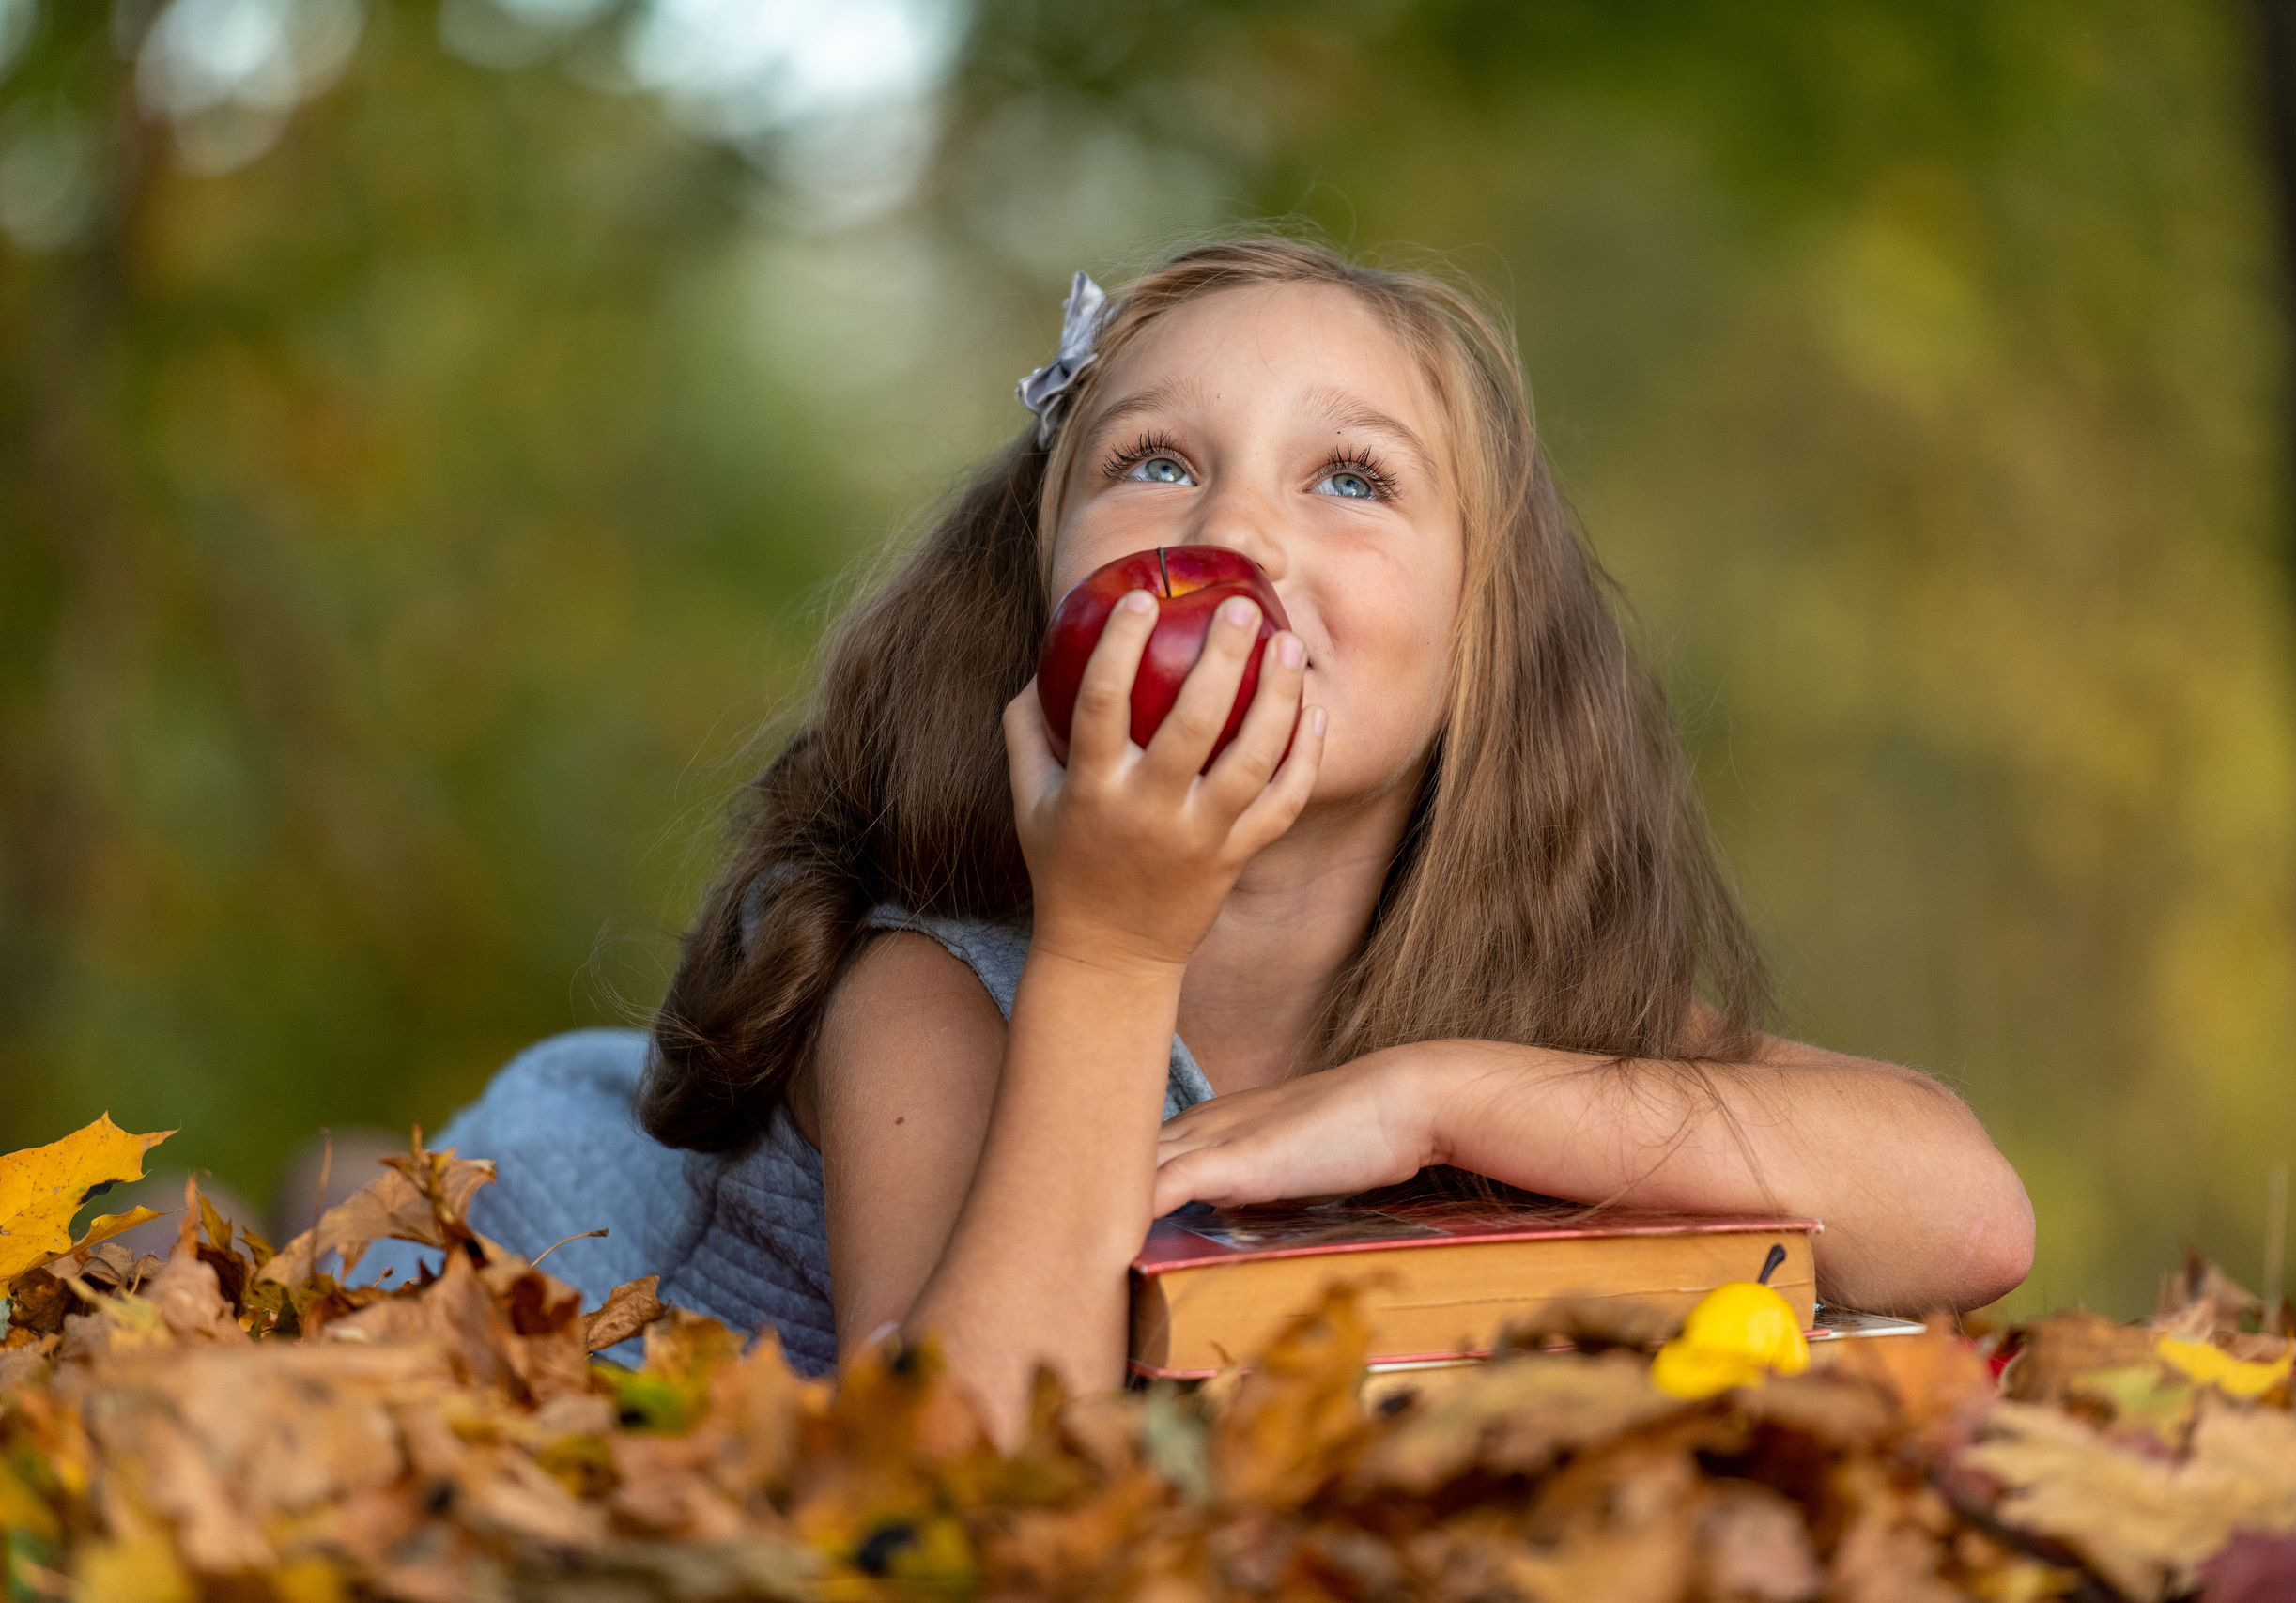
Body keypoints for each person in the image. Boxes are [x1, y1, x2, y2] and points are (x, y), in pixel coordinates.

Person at [423, 238, 2032, 1432]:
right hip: (559, 1292)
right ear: (1038, 596)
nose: (1234, 532)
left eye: (1351, 477)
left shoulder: (1490, 1015)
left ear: (1487, 641)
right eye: (1156, 463)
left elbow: (1967, 1218)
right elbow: (959, 1469)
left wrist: (1427, 1095)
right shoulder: (922, 995)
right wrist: (1116, 946)